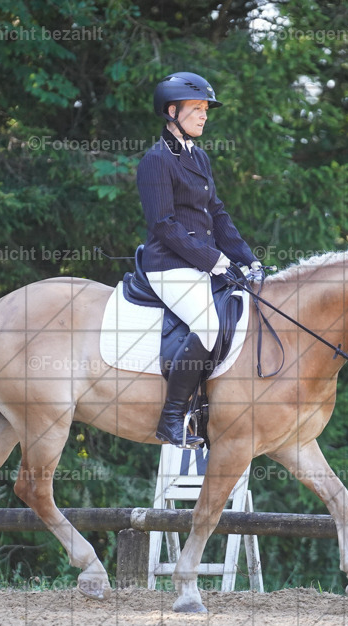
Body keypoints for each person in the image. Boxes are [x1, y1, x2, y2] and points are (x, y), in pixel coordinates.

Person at [136, 71, 262, 447]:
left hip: (200, 264)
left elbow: (218, 216)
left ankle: (206, 408)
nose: (204, 115)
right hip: (168, 265)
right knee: (208, 326)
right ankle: (172, 418)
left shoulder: (199, 157)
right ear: (172, 111)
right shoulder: (156, 160)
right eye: (197, 108)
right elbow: (164, 225)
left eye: (206, 109)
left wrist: (247, 259)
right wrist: (213, 260)